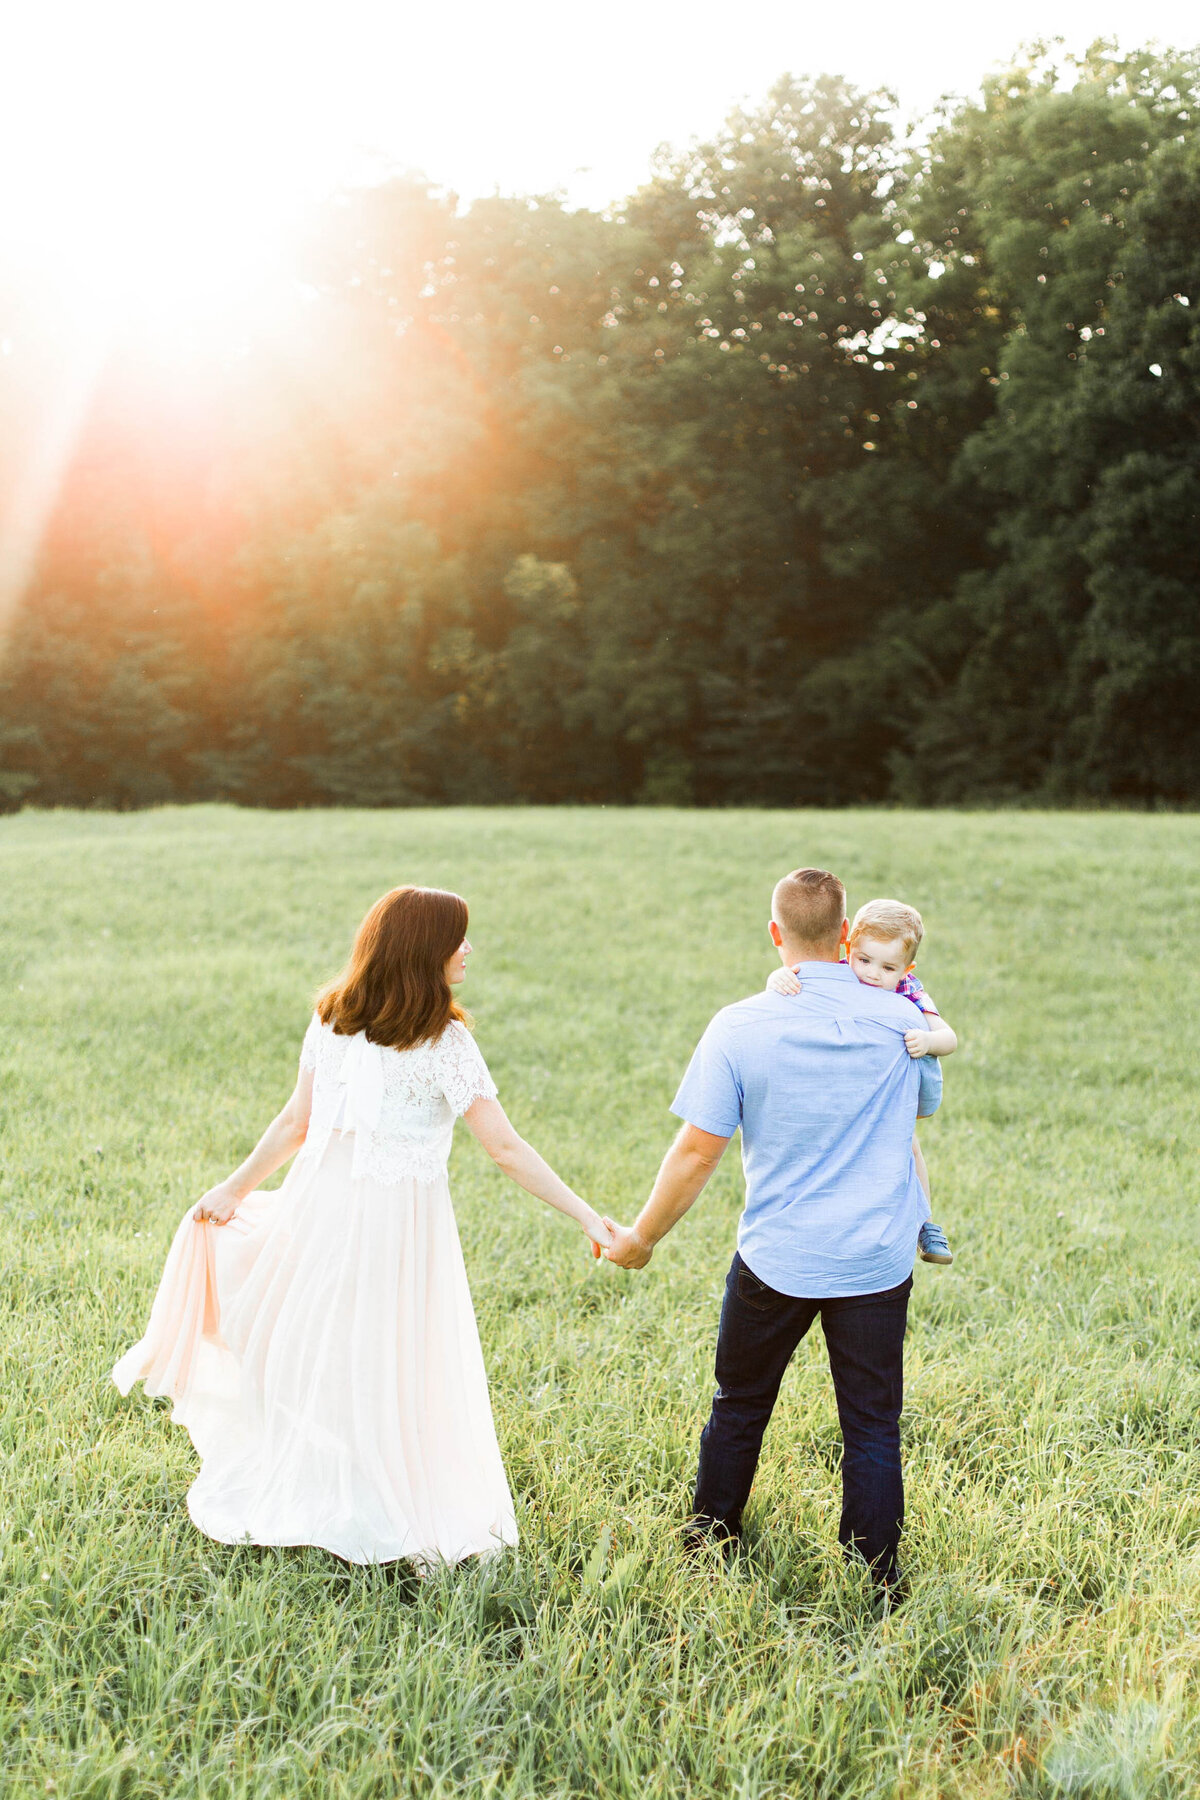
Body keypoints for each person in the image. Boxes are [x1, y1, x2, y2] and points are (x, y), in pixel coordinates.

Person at [113, 885, 612, 1568]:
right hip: (380, 1225)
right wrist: (232, 1190)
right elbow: (502, 1147)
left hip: (331, 1214)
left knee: (341, 1351)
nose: (468, 950)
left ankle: (352, 1484)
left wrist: (236, 1187)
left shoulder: (336, 1021)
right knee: (385, 1358)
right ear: (422, 950)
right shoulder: (436, 1039)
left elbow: (297, 1123)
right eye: (456, 939)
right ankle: (371, 1494)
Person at [603, 867, 942, 1598]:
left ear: (775, 934)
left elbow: (697, 1153)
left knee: (740, 1403)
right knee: (873, 1422)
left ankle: (709, 1542)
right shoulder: (904, 1025)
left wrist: (642, 1238)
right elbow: (912, 1122)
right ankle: (876, 1576)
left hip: (777, 1256)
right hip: (875, 1259)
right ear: (848, 936)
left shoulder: (740, 1025)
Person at [767, 896, 958, 1266]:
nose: (872, 974)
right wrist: (778, 976)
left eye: (888, 967)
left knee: (909, 1147)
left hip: (891, 1094)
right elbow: (796, 978)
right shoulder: (838, 974)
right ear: (848, 947)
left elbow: (949, 1037)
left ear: (906, 968)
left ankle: (926, 1223)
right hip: (844, 1089)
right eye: (864, 959)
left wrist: (928, 1041)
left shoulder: (908, 990)